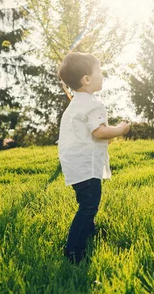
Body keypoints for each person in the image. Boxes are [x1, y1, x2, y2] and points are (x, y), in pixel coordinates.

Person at [57, 52, 131, 263]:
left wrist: (102, 138)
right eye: (99, 72)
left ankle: (88, 233)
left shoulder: (74, 105)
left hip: (74, 164)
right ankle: (73, 250)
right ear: (86, 79)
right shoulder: (93, 104)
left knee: (86, 201)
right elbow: (98, 132)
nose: (102, 75)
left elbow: (84, 134)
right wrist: (120, 129)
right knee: (89, 206)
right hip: (87, 166)